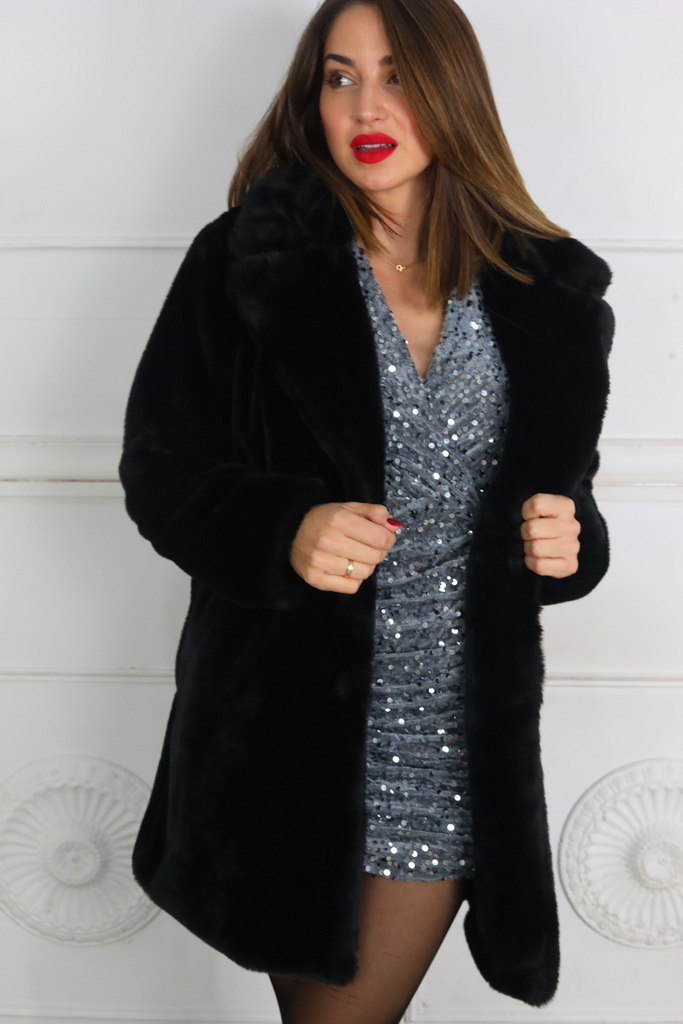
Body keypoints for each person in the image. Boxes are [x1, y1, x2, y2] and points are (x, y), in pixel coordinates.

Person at [118, 0, 613, 1020]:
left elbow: (565, 502)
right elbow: (160, 469)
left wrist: (573, 541)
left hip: (450, 742)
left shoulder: (545, 290)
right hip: (282, 736)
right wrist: (284, 529)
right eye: (337, 77)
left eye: (395, 75)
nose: (363, 107)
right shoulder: (247, 262)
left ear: (451, 90)